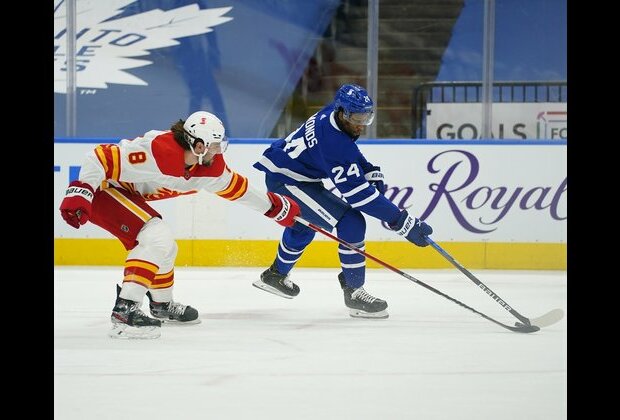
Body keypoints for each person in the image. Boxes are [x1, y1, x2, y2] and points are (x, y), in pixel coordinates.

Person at [59, 111, 301, 339]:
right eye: (215, 145)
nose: (219, 151)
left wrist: (274, 207)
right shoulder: (156, 150)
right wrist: (83, 191)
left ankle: (161, 304)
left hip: (125, 194)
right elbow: (99, 158)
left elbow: (237, 188)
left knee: (166, 246)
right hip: (104, 190)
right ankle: (126, 310)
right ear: (198, 145)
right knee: (156, 237)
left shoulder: (210, 169)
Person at [252, 83, 433, 319]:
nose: (361, 124)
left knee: (304, 227)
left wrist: (367, 169)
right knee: (351, 221)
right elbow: (360, 197)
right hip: (287, 181)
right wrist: (402, 222)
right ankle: (354, 291)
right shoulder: (333, 143)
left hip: (290, 175)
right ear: (343, 112)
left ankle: (275, 275)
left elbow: (348, 150)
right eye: (357, 117)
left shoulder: (333, 116)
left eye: (366, 116)